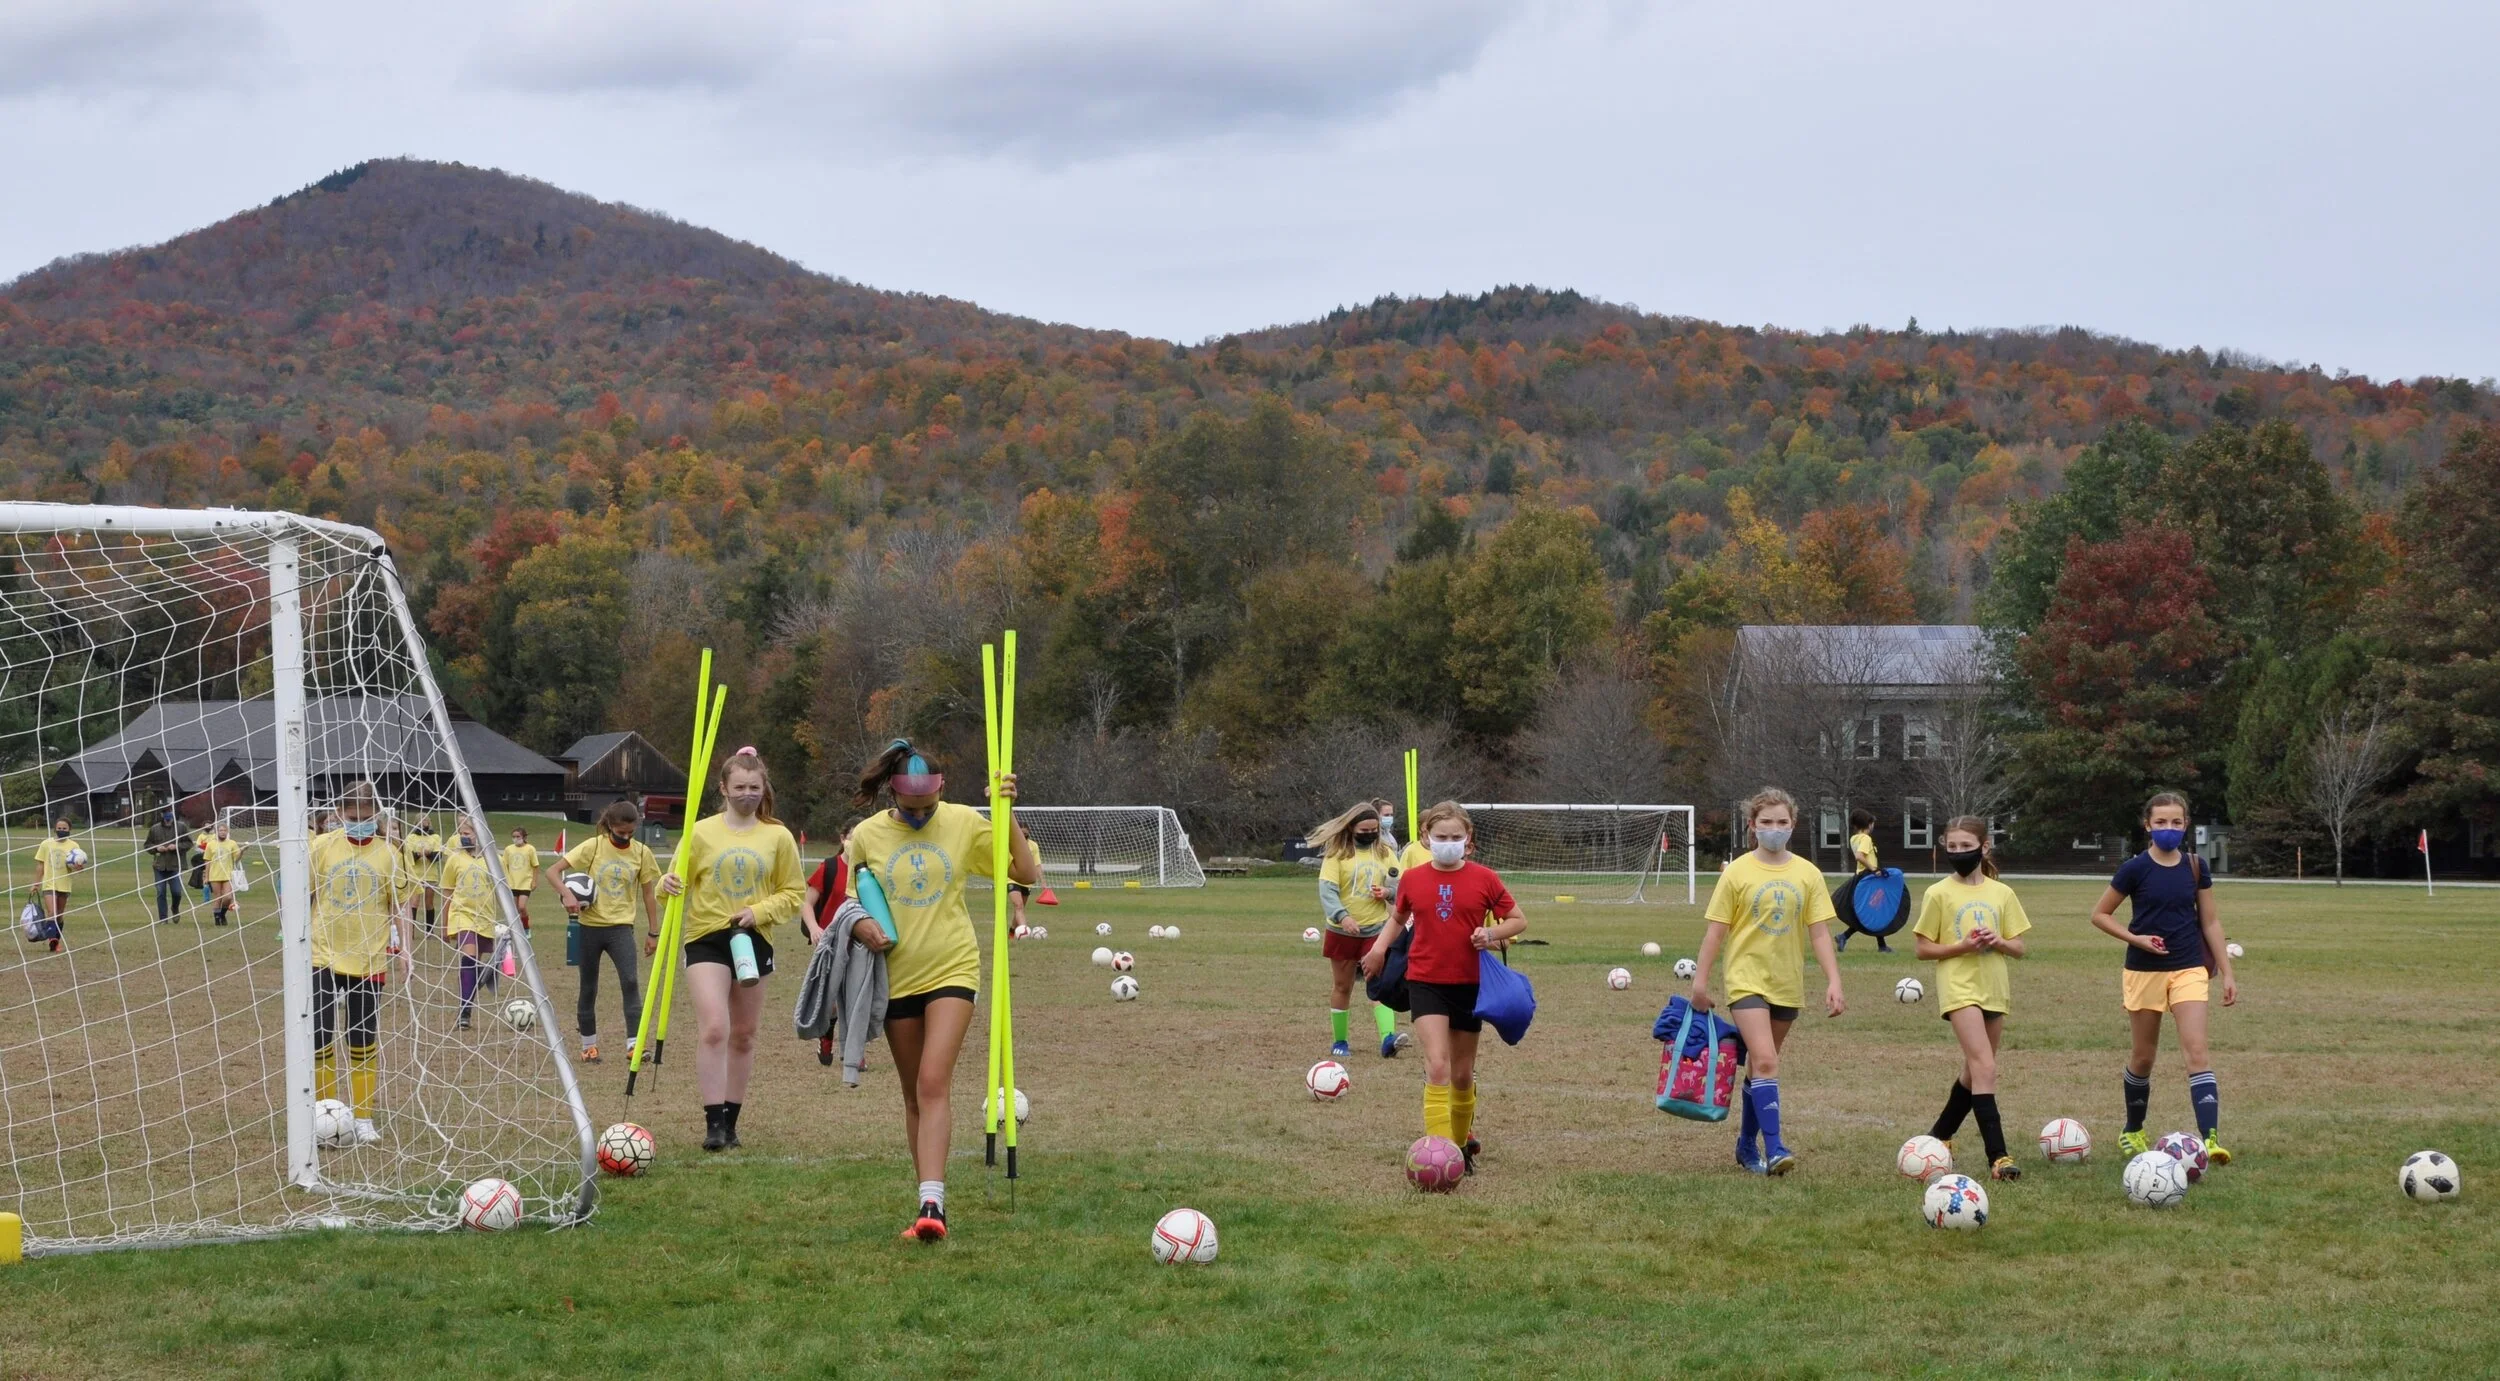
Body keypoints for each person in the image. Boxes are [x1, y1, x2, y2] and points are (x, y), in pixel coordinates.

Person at [843, 739, 1041, 1242]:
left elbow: (1025, 873)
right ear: (893, 793)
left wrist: (1007, 813)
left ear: (941, 790)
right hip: (896, 975)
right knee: (914, 1094)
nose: (919, 816)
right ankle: (926, 1200)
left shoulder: (965, 823)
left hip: (953, 967)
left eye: (927, 808)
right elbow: (852, 901)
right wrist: (862, 925)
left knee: (933, 1082)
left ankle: (934, 1205)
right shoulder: (866, 835)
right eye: (910, 809)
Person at [1688, 787, 1846, 1176]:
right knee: (1765, 1060)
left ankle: (1746, 1145)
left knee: (1760, 1067)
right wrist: (1700, 984)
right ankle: (1775, 1149)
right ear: (1752, 826)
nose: (1774, 828)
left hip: (1787, 981)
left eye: (1781, 822)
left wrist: (1834, 980)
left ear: (1793, 824)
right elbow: (1715, 933)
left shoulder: (1807, 874)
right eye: (1766, 822)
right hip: (1746, 979)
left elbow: (1819, 933)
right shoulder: (1737, 872)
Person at [657, 748, 806, 1154]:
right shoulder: (700, 832)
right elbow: (672, 884)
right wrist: (666, 885)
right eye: (739, 787)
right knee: (714, 1028)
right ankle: (713, 1125)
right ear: (723, 788)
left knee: (743, 1034)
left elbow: (793, 892)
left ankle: (731, 1121)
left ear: (764, 788)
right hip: (707, 936)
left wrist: (759, 912)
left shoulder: (777, 836)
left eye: (754, 787)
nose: (747, 794)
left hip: (754, 937)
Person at [1363, 801, 1525, 1177]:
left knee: (1463, 1074)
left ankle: (1462, 1145)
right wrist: (1378, 949)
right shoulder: (1413, 879)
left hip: (1470, 984)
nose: (1448, 843)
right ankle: (1439, 1152)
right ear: (1426, 837)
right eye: (1441, 837)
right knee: (1437, 1065)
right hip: (1425, 981)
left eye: (1455, 837)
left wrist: (1491, 934)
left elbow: (1518, 920)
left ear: (1468, 839)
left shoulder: (1485, 878)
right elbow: (1398, 918)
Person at [2091, 791, 2238, 1166]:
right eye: (2161, 822)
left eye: (2176, 822)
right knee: (2143, 1057)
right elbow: (2100, 915)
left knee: (2197, 1052)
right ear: (2148, 825)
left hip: (2189, 968)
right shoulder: (2134, 869)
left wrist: (2227, 972)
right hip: (2143, 971)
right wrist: (2136, 938)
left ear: (2186, 825)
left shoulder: (2195, 867)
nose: (2168, 828)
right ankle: (2132, 1129)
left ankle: (2210, 1140)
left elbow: (2210, 922)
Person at [1912, 817, 2030, 1181]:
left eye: (1966, 846)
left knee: (1974, 1070)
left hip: (1994, 987)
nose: (1959, 853)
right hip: (1959, 987)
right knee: (1985, 1068)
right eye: (1952, 847)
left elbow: (2019, 948)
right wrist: (1962, 946)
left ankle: (1938, 1136)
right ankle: (1999, 1156)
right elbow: (1922, 948)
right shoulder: (1938, 893)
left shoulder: (2002, 893)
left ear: (1984, 846)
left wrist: (1998, 941)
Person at [309, 781, 415, 1145]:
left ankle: (364, 1118)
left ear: (377, 816)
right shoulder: (322, 847)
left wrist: (406, 950)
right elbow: (304, 894)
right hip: (322, 954)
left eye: (366, 817)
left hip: (369, 958)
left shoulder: (389, 853)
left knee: (362, 1038)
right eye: (353, 817)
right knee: (319, 1036)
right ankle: (323, 1113)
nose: (359, 823)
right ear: (339, 814)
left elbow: (399, 906)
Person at [554, 801, 662, 1064]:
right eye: (620, 832)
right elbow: (552, 872)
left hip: (621, 928)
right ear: (610, 826)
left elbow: (649, 894)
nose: (625, 837)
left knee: (630, 981)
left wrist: (653, 932)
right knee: (588, 987)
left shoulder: (642, 853)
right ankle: (588, 1047)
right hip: (588, 929)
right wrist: (567, 894)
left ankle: (634, 1045)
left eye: (630, 833)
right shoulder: (593, 847)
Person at [1307, 801, 1406, 1060]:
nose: (1371, 834)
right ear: (1351, 828)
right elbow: (1327, 891)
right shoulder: (1337, 855)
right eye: (1365, 830)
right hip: (1342, 933)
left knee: (1379, 986)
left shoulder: (1385, 853)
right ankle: (1340, 1041)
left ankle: (1388, 1038)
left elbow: (1401, 889)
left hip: (1376, 931)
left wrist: (1388, 892)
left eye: (1374, 830)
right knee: (1343, 986)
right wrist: (1343, 916)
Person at [438, 816, 502, 1032]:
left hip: (485, 918)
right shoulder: (454, 860)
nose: (462, 837)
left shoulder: (494, 860)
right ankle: (464, 1012)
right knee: (469, 958)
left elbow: (502, 891)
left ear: (479, 834)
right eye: (460, 834)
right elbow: (447, 894)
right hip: (461, 916)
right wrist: (444, 925)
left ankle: (470, 1000)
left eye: (466, 833)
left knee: (474, 965)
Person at [1835, 808, 1891, 954]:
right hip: (1869, 877)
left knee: (1873, 910)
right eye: (1872, 823)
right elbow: (1859, 856)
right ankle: (1845, 936)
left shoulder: (1854, 838)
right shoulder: (1866, 839)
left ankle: (1880, 945)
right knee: (1875, 909)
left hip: (1861, 877)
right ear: (1869, 823)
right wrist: (1873, 868)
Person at [30, 818, 84, 953]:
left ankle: (56, 941)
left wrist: (79, 867)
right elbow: (40, 865)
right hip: (49, 884)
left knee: (59, 915)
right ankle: (52, 939)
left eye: (64, 828)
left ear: (69, 829)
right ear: (55, 829)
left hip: (64, 884)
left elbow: (77, 866)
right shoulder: (46, 844)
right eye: (59, 828)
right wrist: (36, 883)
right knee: (52, 913)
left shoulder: (74, 846)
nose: (61, 830)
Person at [144, 809, 185, 924]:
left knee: (177, 892)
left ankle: (175, 908)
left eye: (170, 817)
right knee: (161, 892)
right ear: (162, 815)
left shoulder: (181, 827)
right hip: (159, 866)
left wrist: (176, 846)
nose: (168, 820)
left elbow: (188, 843)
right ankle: (163, 918)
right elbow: (147, 845)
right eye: (166, 817)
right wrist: (156, 848)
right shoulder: (154, 828)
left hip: (175, 866)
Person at [404, 818, 443, 935]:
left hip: (431, 875)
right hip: (415, 875)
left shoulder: (435, 837)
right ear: (416, 823)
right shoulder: (411, 837)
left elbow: (438, 856)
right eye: (421, 822)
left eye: (426, 821)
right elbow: (408, 855)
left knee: (429, 903)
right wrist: (418, 854)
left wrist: (429, 854)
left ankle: (429, 931)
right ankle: (410, 930)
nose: (424, 824)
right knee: (414, 902)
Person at [202, 822, 244, 928]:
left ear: (227, 832)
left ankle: (222, 914)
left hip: (228, 874)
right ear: (217, 832)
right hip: (215, 875)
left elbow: (237, 858)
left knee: (227, 897)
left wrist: (242, 852)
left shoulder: (232, 843)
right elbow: (207, 861)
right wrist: (206, 876)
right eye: (221, 830)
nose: (223, 832)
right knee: (218, 897)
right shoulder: (211, 844)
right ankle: (217, 919)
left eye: (225, 830)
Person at [502, 828, 540, 932]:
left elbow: (535, 866)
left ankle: (526, 928)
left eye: (518, 836)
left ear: (524, 837)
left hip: (525, 883)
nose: (515, 839)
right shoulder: (508, 849)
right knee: (514, 909)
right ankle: (515, 930)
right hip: (512, 883)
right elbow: (504, 865)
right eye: (513, 837)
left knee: (522, 907)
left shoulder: (530, 849)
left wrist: (534, 881)